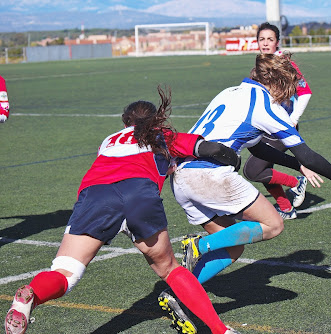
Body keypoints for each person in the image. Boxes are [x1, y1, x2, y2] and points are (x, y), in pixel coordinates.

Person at [4, 85, 241, 334]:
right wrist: (233, 160)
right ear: (154, 120)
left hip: (96, 196)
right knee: (170, 269)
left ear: (125, 121)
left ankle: (31, 296)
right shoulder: (162, 135)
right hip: (139, 194)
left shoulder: (109, 140)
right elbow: (210, 149)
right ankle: (220, 330)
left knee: (65, 271)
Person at [168, 53, 331, 287]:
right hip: (208, 176)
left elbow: (260, 150)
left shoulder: (229, 92)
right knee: (273, 224)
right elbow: (307, 155)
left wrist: (295, 165)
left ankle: (179, 294)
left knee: (232, 246)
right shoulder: (266, 105)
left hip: (181, 175)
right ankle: (198, 246)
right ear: (280, 83)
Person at [243, 22, 314, 220]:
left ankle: (296, 182)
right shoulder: (261, 63)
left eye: (270, 39)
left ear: (277, 42)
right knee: (263, 168)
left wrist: (292, 120)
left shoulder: (285, 63)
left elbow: (305, 92)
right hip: (265, 126)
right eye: (262, 39)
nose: (265, 43)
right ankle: (286, 208)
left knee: (252, 169)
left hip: (282, 127)